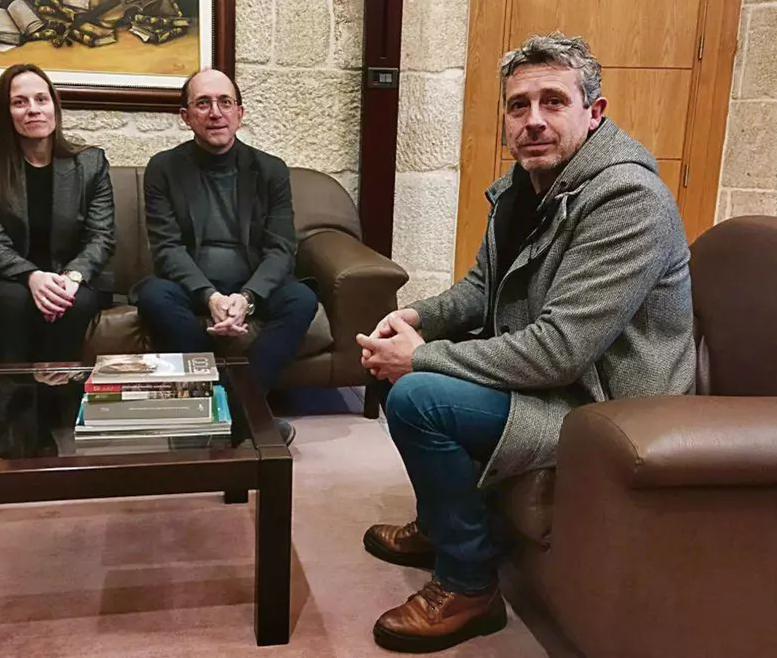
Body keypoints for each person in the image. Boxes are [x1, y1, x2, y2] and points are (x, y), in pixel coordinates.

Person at [355, 33, 696, 653]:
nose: (533, 120)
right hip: (562, 380)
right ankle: (440, 524)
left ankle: (468, 586)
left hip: (610, 406)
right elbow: (480, 289)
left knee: (418, 398)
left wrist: (420, 356)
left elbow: (560, 350)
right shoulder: (524, 187)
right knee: (419, 376)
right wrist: (415, 317)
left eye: (553, 101)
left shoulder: (627, 200)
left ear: (594, 112)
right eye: (518, 105)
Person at [132, 68, 318, 445]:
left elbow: (281, 247)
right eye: (203, 103)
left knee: (301, 298)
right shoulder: (163, 169)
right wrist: (210, 298)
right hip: (193, 286)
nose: (215, 112)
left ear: (240, 112)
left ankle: (227, 412)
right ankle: (243, 416)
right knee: (153, 295)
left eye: (225, 102)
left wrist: (248, 298)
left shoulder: (271, 170)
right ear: (186, 116)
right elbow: (167, 248)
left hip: (252, 284)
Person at [0, 63, 115, 365]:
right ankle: (8, 394)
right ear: (6, 113)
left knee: (70, 303)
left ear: (54, 107)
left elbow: (101, 236)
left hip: (74, 276)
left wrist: (72, 277)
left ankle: (58, 393)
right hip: (10, 278)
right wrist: (32, 276)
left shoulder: (91, 164)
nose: (33, 109)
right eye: (20, 102)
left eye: (41, 99)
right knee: (12, 301)